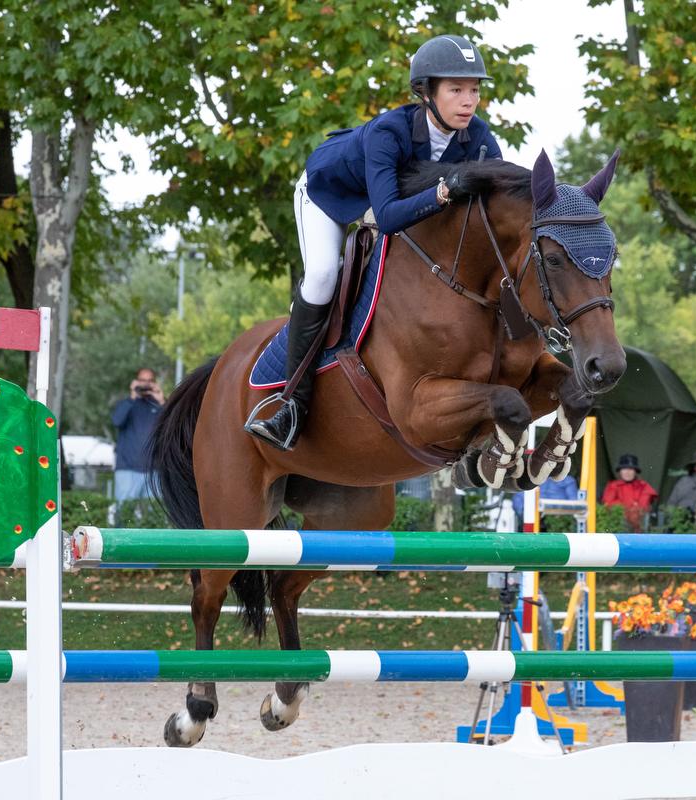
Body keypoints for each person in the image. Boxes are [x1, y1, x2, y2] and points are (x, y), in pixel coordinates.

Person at [246, 34, 502, 451]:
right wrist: (444, 191)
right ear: (426, 92)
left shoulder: (478, 137)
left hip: (386, 202)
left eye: (474, 90)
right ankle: (291, 404)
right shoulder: (389, 131)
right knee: (324, 274)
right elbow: (388, 217)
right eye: (456, 90)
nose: (468, 101)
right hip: (328, 195)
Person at [111, 368, 165, 501]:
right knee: (124, 515)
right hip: (127, 470)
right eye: (142, 380)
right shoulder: (127, 403)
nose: (146, 384)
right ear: (135, 382)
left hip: (154, 472)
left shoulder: (160, 404)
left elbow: (172, 427)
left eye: (150, 381)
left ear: (154, 383)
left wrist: (162, 401)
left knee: (153, 518)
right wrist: (132, 397)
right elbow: (117, 421)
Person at [601, 454, 658, 532]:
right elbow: (608, 504)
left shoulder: (644, 486)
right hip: (618, 528)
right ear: (620, 471)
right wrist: (631, 506)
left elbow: (644, 507)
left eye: (631, 469)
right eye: (624, 469)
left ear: (635, 472)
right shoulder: (613, 486)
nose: (627, 472)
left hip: (640, 530)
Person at [511, 472, 580, 530]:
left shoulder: (568, 481)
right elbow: (517, 501)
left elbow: (573, 505)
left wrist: (559, 513)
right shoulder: (529, 481)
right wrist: (526, 514)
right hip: (532, 521)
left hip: (558, 523)